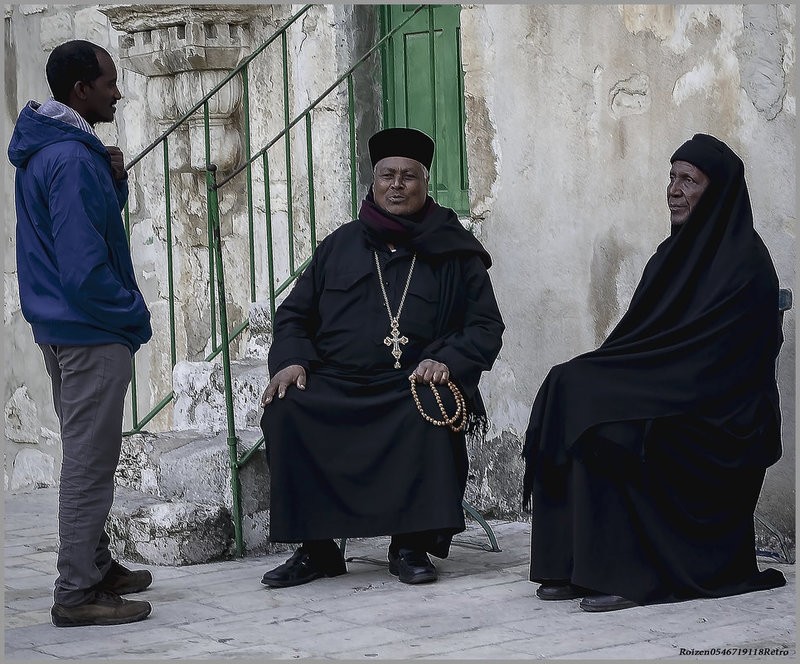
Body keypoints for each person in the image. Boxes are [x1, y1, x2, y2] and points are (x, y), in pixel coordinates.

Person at [522, 133, 787, 612]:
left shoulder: (745, 265)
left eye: (689, 180)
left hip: (724, 417)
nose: (674, 189)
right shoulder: (670, 257)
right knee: (569, 387)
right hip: (672, 390)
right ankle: (570, 566)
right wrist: (617, 379)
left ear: (719, 190)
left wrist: (638, 389)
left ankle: (629, 575)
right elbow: (636, 342)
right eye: (671, 177)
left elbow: (719, 363)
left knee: (616, 424)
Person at [259, 127, 504, 587]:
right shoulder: (341, 244)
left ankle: (409, 545)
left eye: (408, 176)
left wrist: (448, 359)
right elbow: (294, 314)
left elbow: (486, 326)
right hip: (338, 382)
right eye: (387, 175)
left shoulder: (455, 250)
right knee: (287, 409)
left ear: (424, 183)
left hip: (411, 383)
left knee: (428, 407)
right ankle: (317, 550)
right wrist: (292, 360)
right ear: (373, 183)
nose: (397, 184)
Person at [8, 40, 154, 627]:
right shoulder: (69, 158)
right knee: (91, 462)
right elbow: (83, 264)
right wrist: (131, 316)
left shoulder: (61, 151)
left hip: (63, 322)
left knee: (86, 451)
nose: (118, 92)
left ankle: (94, 565)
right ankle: (76, 593)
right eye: (110, 82)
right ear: (81, 90)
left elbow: (87, 221)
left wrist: (110, 177)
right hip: (88, 326)